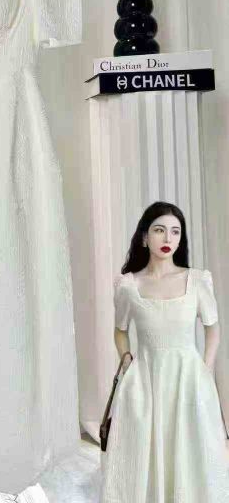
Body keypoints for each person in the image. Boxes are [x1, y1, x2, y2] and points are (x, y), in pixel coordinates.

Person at [100, 201, 229, 503]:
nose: (168, 238)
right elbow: (120, 330)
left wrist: (206, 368)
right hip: (144, 378)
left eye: (175, 231)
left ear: (181, 239)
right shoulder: (128, 286)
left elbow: (213, 329)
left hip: (188, 378)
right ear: (145, 237)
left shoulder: (197, 280)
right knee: (144, 447)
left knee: (189, 446)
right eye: (159, 230)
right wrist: (126, 358)